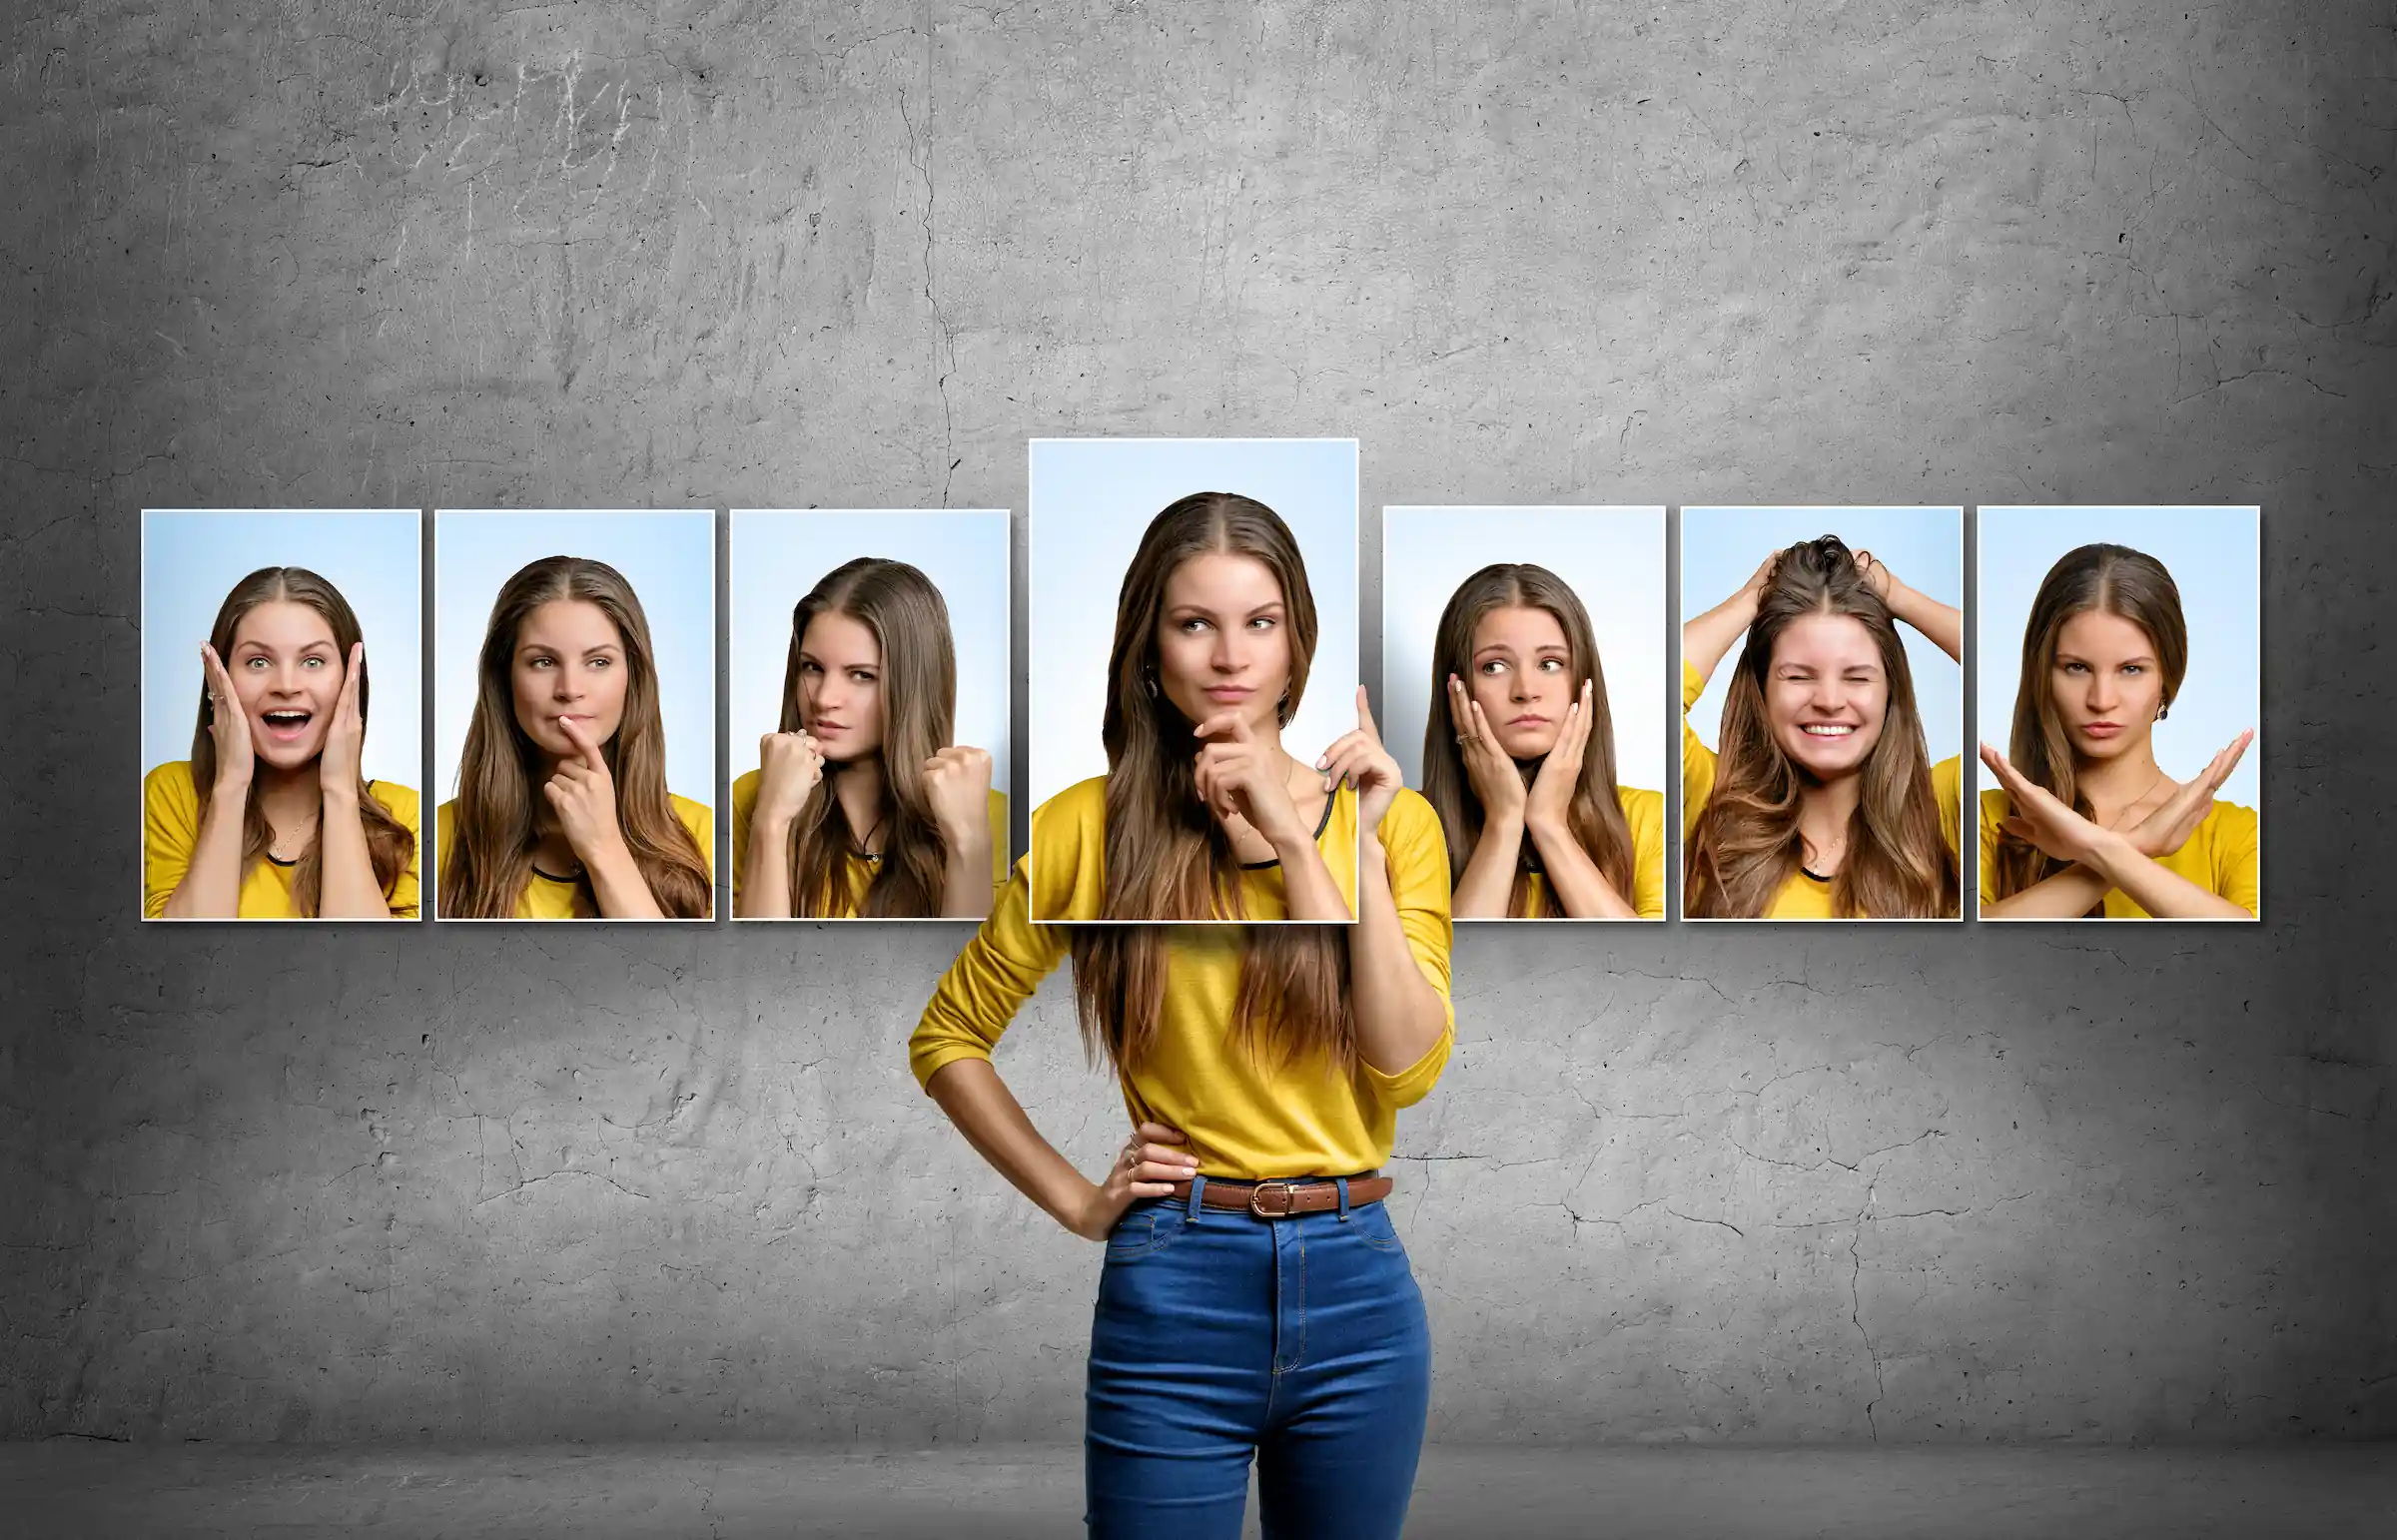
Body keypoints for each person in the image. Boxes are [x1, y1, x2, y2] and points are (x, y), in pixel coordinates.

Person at [908, 492, 1454, 1538]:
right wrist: (1077, 1200)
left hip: (1360, 1290)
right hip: (1178, 1287)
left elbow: (1407, 1070)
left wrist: (1320, 849)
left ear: (1298, 643)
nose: (1229, 655)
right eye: (1194, 622)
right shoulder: (1086, 829)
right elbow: (947, 1038)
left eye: (1259, 621)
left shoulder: (1391, 821)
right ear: (1148, 647)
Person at [1682, 535, 1962, 919]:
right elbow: (1654, 688)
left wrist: (1899, 596)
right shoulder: (1709, 799)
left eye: (1857, 678)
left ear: (1890, 692)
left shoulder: (1942, 808)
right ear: (1762, 689)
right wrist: (1751, 601)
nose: (1829, 701)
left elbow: (2020, 674)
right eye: (1799, 677)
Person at [1980, 541, 2256, 919]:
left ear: (2167, 678)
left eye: (2131, 669)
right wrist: (2135, 845)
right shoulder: (1984, 818)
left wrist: (2105, 851)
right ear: (2041, 673)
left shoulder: (2237, 834)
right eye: (2077, 667)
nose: (2102, 699)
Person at [436, 555, 713, 919]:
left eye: (598, 662)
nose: (570, 689)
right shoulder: (439, 836)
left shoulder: (705, 834)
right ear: (505, 679)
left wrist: (605, 849)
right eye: (543, 662)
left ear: (633, 677)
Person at [732, 557, 1005, 918]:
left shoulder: (998, 817)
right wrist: (771, 822)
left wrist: (968, 846)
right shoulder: (752, 798)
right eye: (812, 667)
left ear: (913, 686)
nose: (825, 698)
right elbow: (750, 967)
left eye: (861, 675)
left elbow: (971, 970)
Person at [145, 565, 417, 919]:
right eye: (258, 662)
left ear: (351, 681)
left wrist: (339, 791)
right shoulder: (170, 793)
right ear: (219, 680)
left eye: (313, 661)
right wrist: (230, 786)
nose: (286, 685)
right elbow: (179, 962)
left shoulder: (406, 816)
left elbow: (367, 966)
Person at [1420, 561, 1665, 919]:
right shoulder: (1406, 822)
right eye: (1494, 666)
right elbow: (1440, 974)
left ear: (1583, 682)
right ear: (1456, 689)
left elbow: (1655, 970)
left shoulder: (1649, 819)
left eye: (1549, 663)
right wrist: (1503, 821)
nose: (1526, 691)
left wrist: (1550, 825)